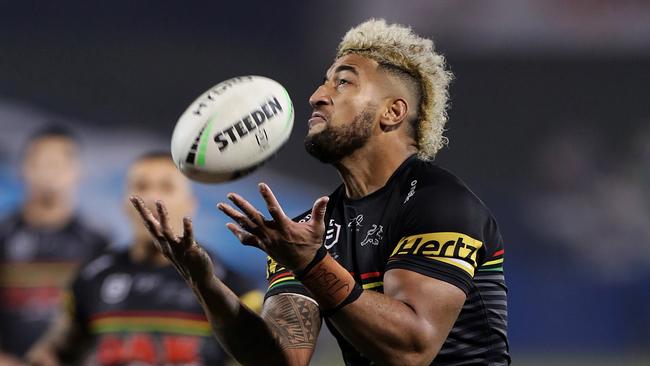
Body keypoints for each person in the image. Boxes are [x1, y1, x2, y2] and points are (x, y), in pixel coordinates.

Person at [131, 19, 509, 366]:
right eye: (324, 81)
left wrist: (311, 264)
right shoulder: (306, 232)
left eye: (343, 82)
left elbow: (412, 349)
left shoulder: (438, 202)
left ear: (393, 112)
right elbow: (281, 360)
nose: (316, 96)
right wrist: (204, 283)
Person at [27, 152, 262, 365]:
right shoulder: (91, 279)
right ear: (123, 203)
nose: (152, 198)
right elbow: (52, 353)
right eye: (141, 186)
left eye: (167, 187)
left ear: (191, 205)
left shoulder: (234, 287)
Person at [0, 126, 109, 365]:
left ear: (77, 171)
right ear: (22, 169)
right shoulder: (3, 236)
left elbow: (104, 319)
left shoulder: (98, 242)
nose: (49, 173)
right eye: (40, 163)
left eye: (59, 164)